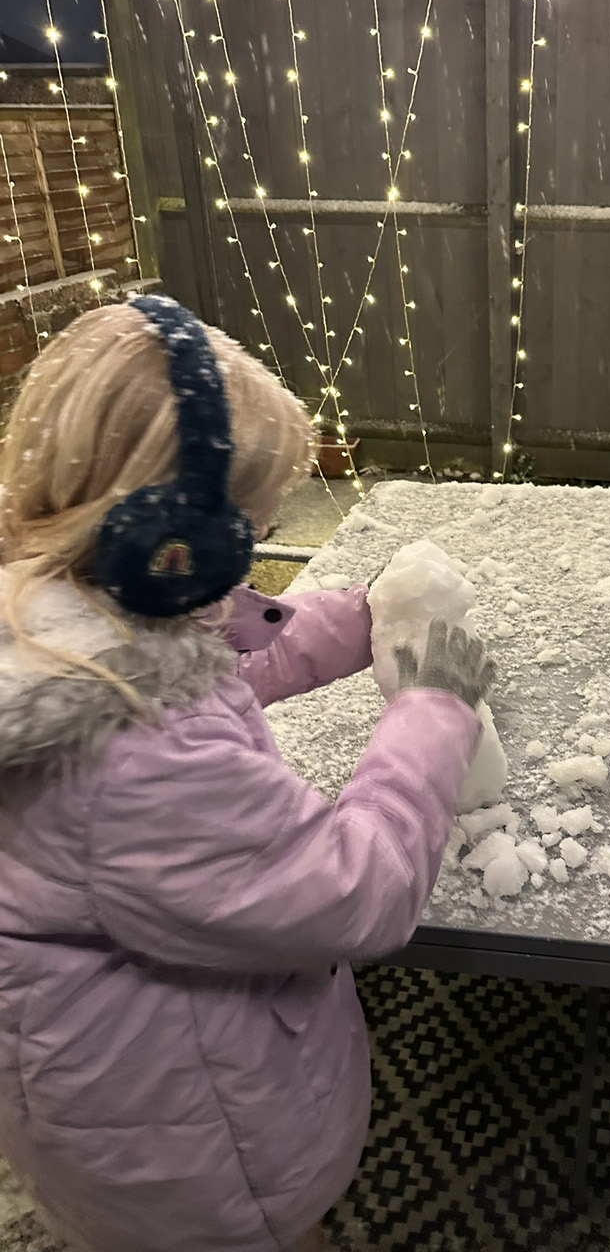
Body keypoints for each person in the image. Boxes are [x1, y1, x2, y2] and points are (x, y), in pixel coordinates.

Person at [0, 296, 494, 1252]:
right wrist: (433, 707)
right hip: (187, 1135)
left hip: (96, 1087)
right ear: (160, 545)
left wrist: (363, 615)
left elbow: (205, 654)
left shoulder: (57, 616)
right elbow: (358, 889)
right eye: (243, 538)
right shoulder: (135, 762)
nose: (249, 569)